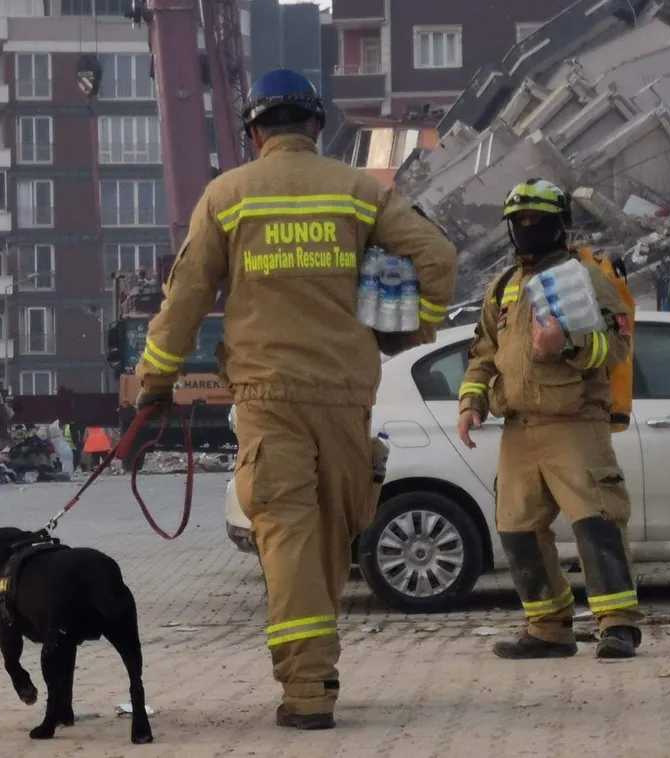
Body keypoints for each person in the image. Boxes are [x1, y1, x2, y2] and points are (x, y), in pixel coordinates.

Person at [135, 69, 457, 729]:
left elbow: (187, 295)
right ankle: (313, 674)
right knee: (335, 537)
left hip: (267, 392)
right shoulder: (359, 191)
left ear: (255, 131)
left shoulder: (227, 196)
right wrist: (408, 326)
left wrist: (154, 384)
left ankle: (307, 687)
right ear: (314, 125)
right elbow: (436, 255)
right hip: (345, 390)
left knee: (286, 535)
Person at [456, 178, 642, 660]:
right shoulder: (504, 286)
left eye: (538, 221)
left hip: (574, 423)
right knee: (517, 529)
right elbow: (483, 352)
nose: (528, 229)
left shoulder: (586, 278)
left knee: (596, 522)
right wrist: (471, 403)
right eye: (520, 222)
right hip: (519, 428)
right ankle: (548, 628)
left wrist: (568, 344)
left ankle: (618, 624)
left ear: (562, 226)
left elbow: (618, 345)